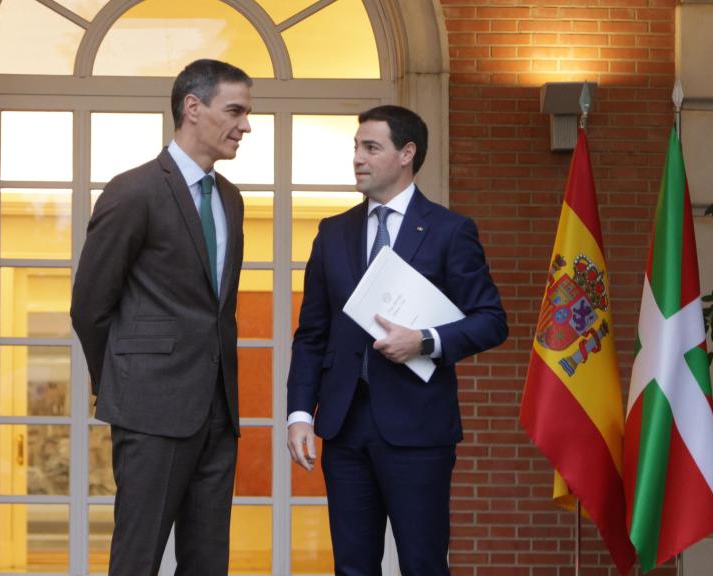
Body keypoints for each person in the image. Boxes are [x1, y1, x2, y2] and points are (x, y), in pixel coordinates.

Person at [286, 105, 508, 575]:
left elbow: (491, 320)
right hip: (344, 428)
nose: (358, 158)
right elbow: (311, 335)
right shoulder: (332, 233)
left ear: (407, 154)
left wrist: (425, 340)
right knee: (351, 565)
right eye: (355, 147)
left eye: (371, 147)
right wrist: (300, 414)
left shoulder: (450, 231)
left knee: (423, 564)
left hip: (419, 431)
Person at [71, 59, 252, 576]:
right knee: (138, 557)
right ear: (192, 108)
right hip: (150, 410)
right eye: (235, 111)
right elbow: (90, 306)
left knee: (207, 560)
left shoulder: (231, 201)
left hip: (218, 412)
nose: (246, 125)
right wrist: (123, 385)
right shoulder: (133, 191)